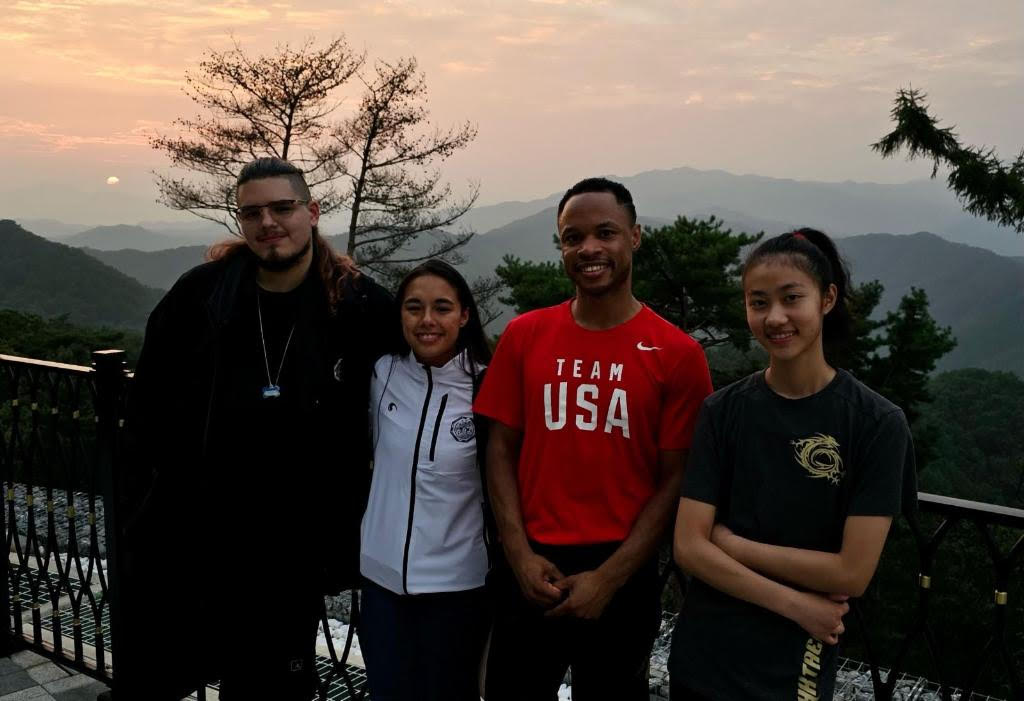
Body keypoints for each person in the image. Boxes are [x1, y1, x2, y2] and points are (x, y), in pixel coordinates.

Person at [118, 157, 393, 700]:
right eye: (252, 213)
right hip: (201, 531)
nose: (268, 222)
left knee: (273, 683)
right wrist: (149, 501)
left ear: (312, 212)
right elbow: (147, 407)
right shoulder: (200, 298)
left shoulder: (360, 306)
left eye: (282, 208)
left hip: (296, 545)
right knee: (171, 672)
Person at [474, 177, 713, 700]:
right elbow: (500, 448)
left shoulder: (677, 355)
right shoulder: (525, 336)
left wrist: (609, 578)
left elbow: (676, 479)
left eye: (605, 233)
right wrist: (518, 554)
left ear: (635, 237)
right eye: (572, 237)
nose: (588, 248)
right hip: (529, 565)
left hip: (623, 576)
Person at [670, 229, 918, 700]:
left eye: (791, 298)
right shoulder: (723, 412)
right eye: (758, 302)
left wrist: (728, 543)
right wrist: (797, 604)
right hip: (706, 654)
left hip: (793, 665)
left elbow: (851, 572)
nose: (775, 318)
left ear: (827, 299)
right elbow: (687, 547)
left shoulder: (876, 424)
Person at [358, 259, 493, 701]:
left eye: (442, 308)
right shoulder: (382, 373)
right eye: (414, 308)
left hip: (458, 589)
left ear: (465, 315)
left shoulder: (488, 387)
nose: (427, 320)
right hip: (380, 584)